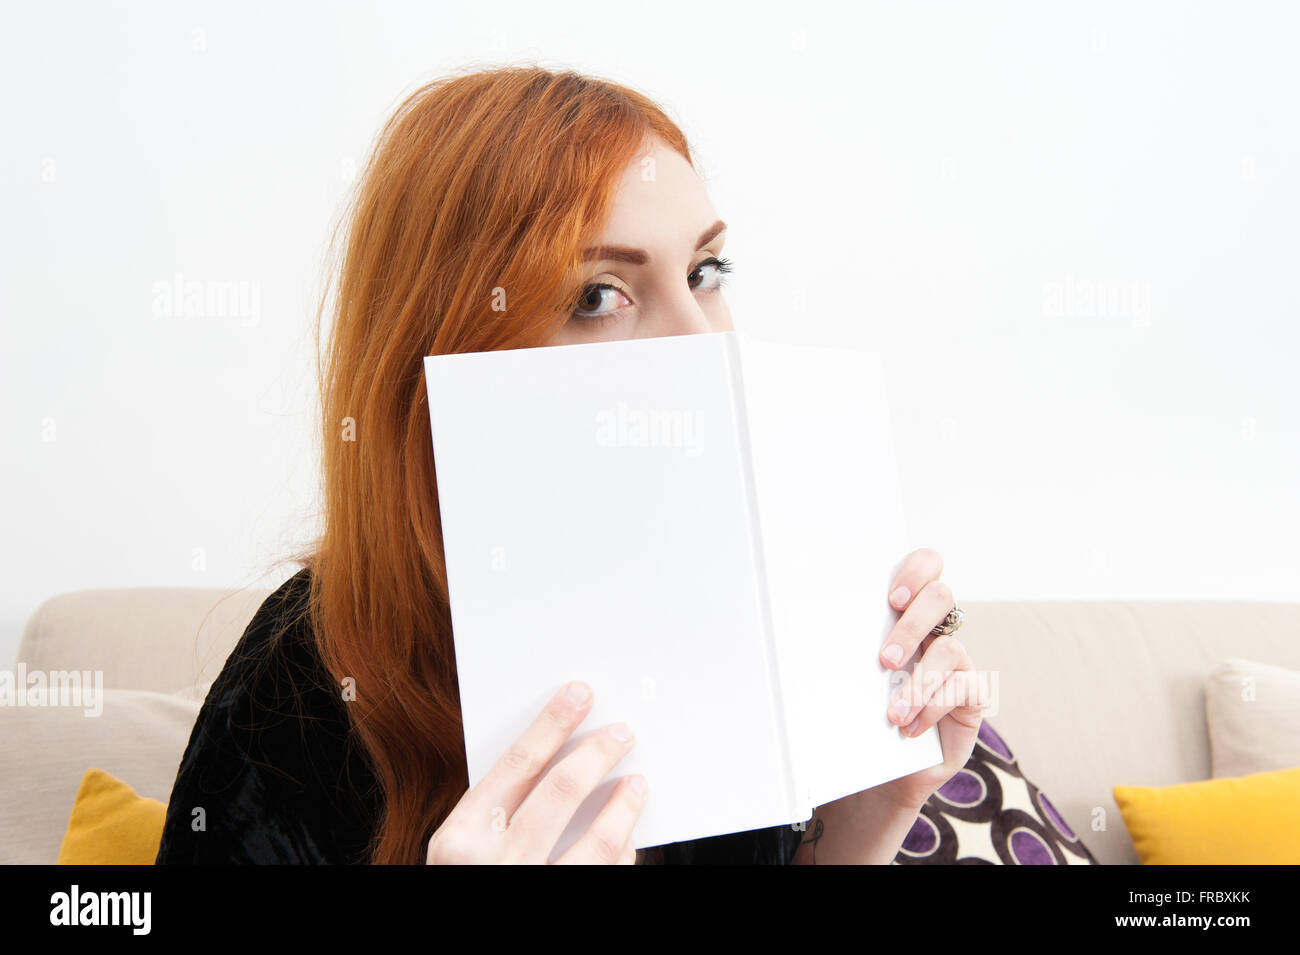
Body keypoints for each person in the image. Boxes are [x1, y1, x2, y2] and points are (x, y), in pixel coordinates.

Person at [157, 64, 985, 866]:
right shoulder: (297, 691)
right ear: (448, 345)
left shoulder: (741, 606)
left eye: (704, 273)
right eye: (598, 294)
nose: (701, 341)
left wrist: (869, 814)